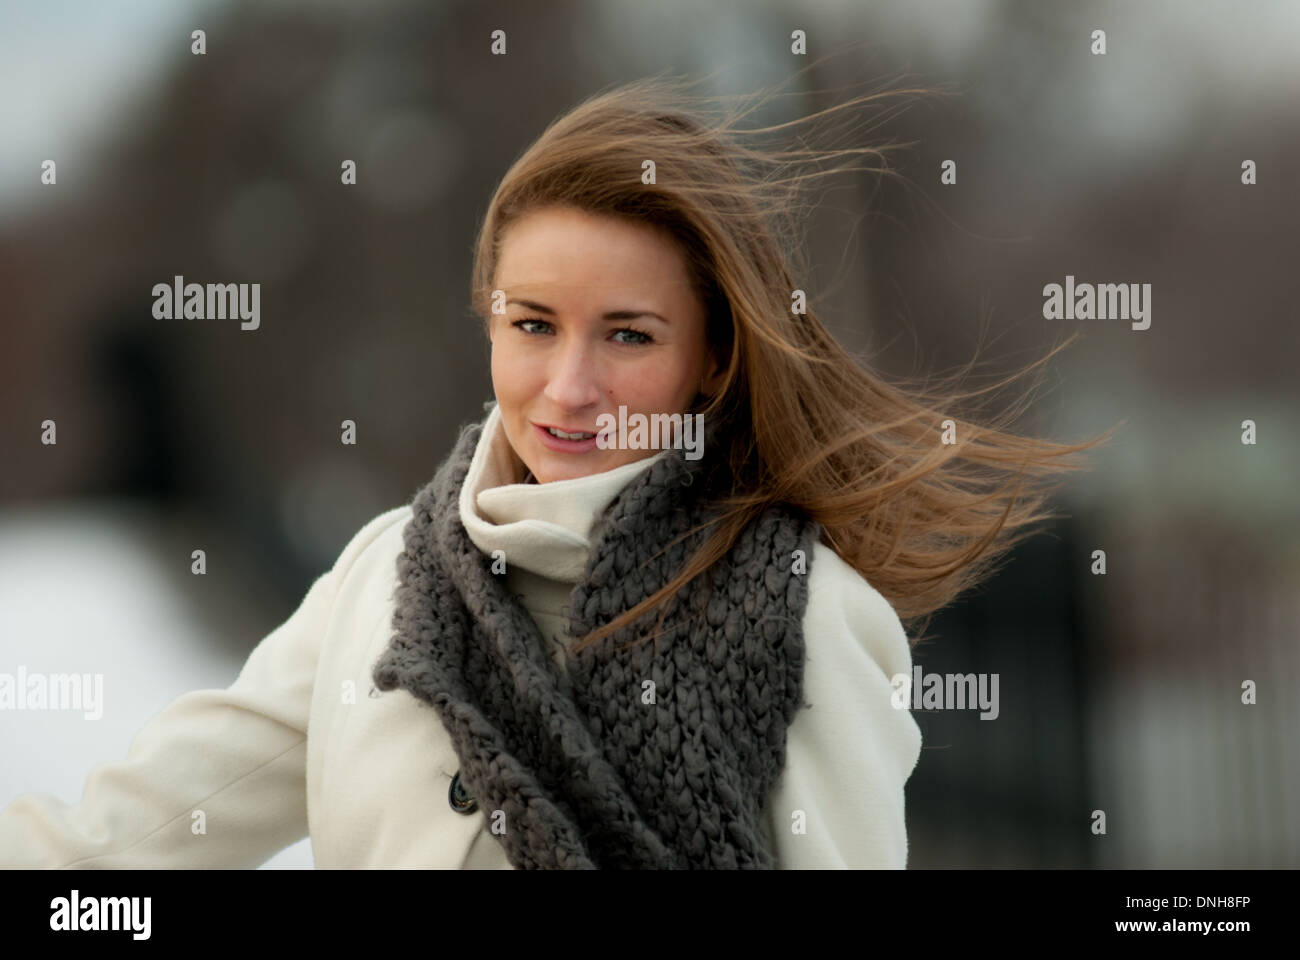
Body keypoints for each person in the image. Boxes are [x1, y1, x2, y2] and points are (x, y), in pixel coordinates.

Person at [0, 73, 1109, 869]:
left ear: (711, 356)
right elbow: (116, 851)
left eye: (626, 335)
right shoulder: (381, 580)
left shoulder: (807, 617)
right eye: (532, 325)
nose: (568, 386)